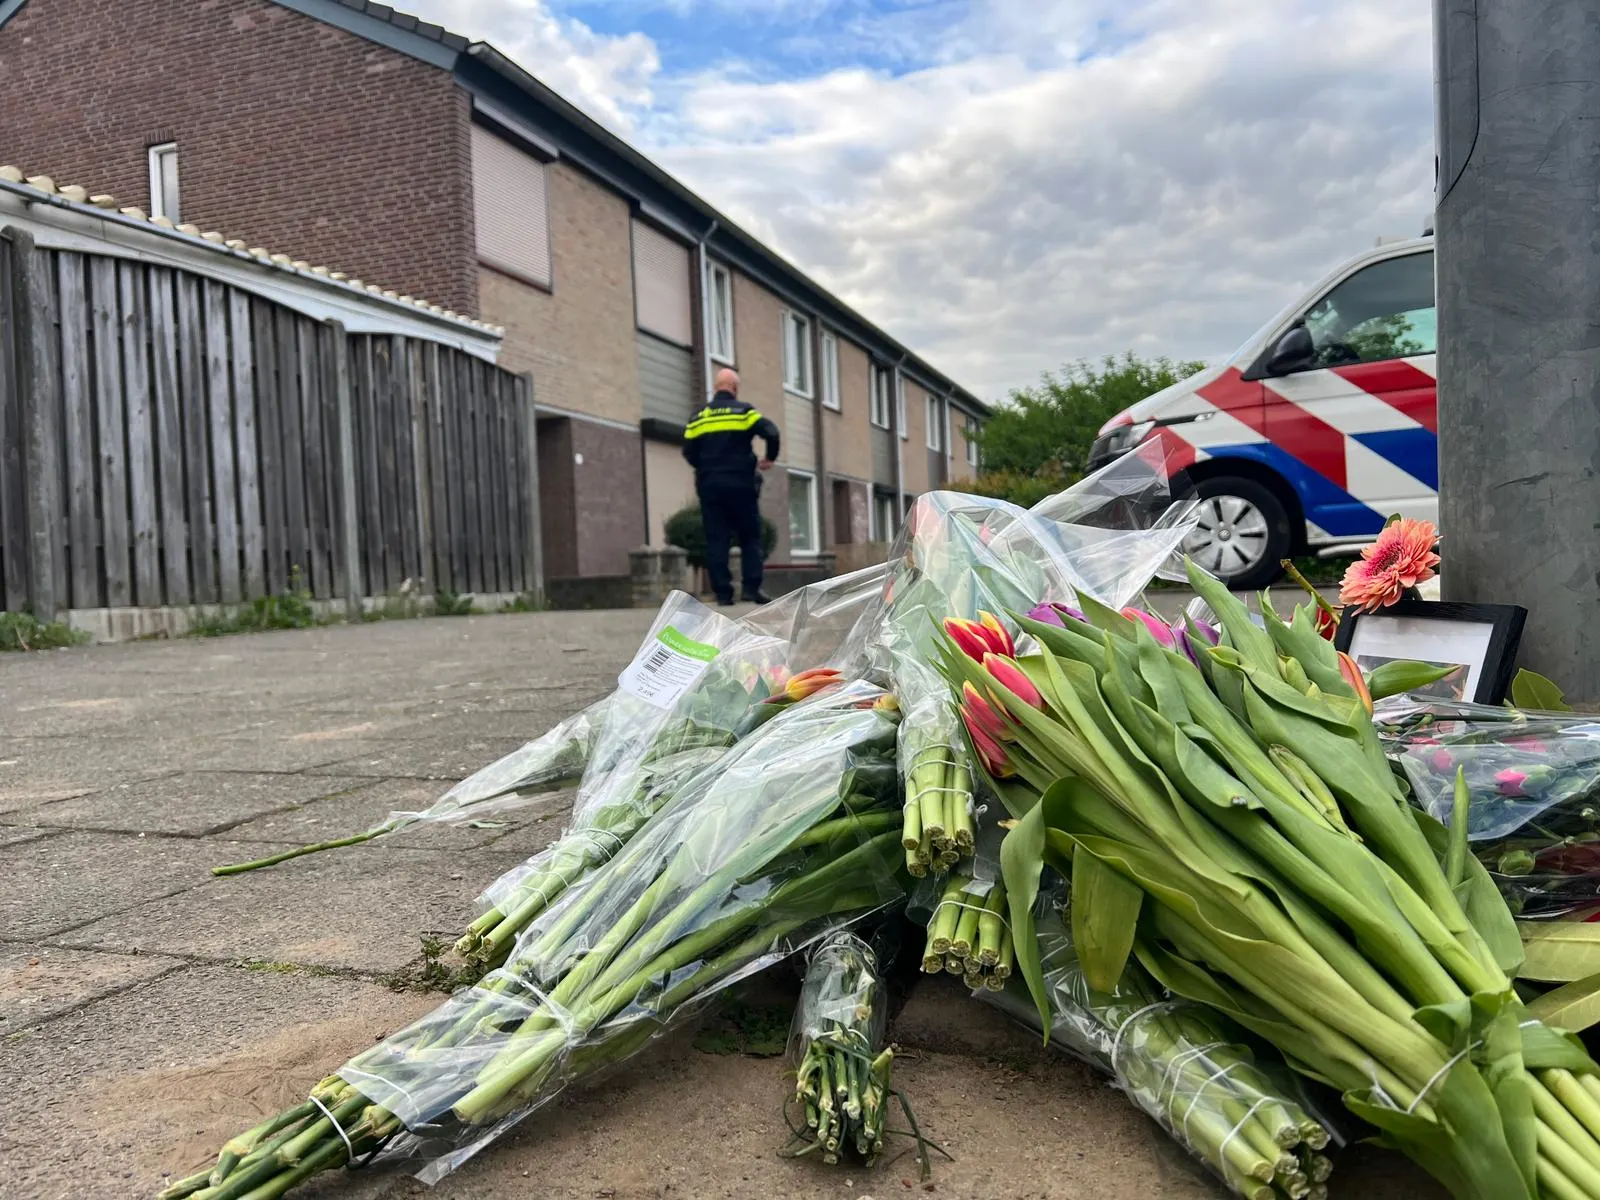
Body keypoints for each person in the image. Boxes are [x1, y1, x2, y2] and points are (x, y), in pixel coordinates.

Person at [682, 368, 779, 605]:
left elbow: (688, 451)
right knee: (750, 537)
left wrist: (706, 467)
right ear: (734, 388)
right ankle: (750, 589)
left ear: (715, 388)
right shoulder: (744, 411)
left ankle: (723, 594)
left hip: (711, 486)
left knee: (716, 540)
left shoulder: (698, 417)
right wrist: (769, 458)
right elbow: (771, 432)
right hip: (741, 485)